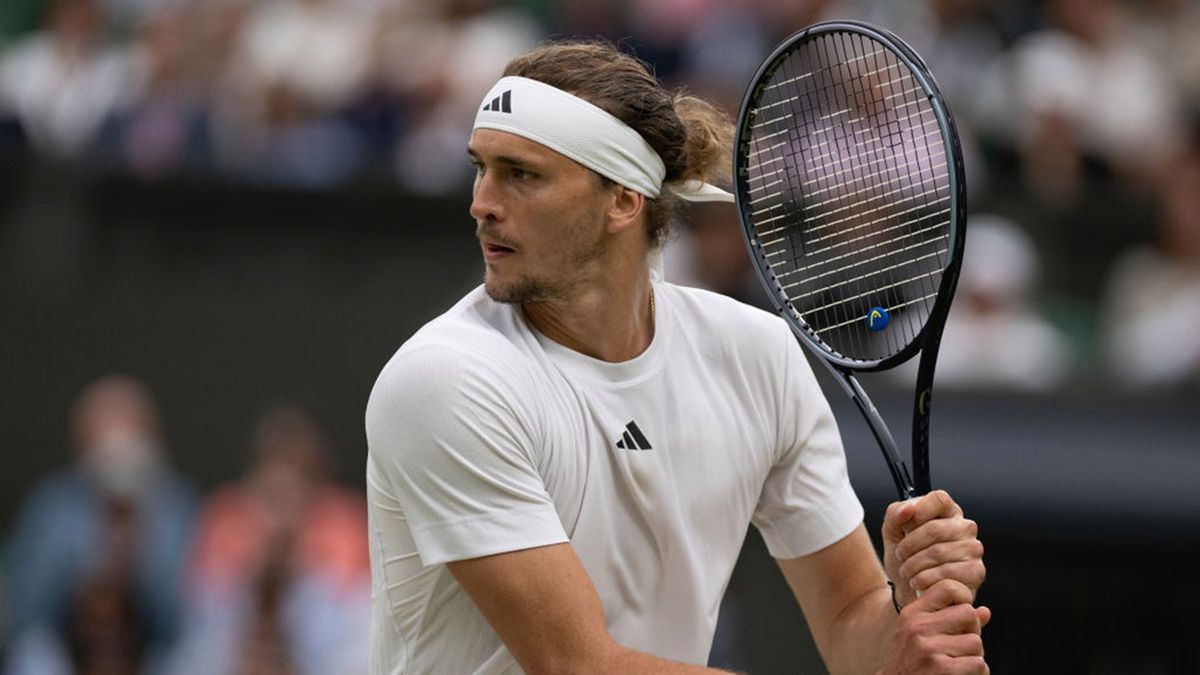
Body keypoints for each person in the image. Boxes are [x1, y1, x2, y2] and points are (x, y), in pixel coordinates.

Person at [365, 41, 988, 674]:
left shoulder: (758, 355)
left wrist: (906, 616)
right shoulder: (447, 379)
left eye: (521, 174)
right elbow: (579, 667)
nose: (482, 203)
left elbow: (851, 614)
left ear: (623, 201)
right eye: (481, 167)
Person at [5, 374, 196, 675]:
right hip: (68, 652)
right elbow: (29, 605)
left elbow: (183, 612)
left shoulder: (175, 507)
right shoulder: (54, 506)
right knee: (33, 657)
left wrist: (139, 551)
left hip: (154, 651)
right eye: (106, 434)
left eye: (130, 430)